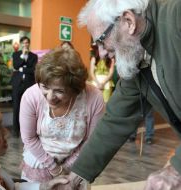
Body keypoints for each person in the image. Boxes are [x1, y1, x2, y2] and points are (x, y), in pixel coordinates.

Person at [56, 0, 181, 189]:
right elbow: (115, 120)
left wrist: (176, 169)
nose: (101, 53)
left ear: (128, 21)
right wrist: (75, 178)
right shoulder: (137, 58)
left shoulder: (177, 17)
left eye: (101, 41)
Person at [19, 47, 105, 183]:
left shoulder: (94, 98)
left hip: (77, 166)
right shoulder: (31, 96)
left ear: (75, 88)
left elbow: (90, 141)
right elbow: (29, 138)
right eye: (45, 87)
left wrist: (67, 167)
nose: (50, 97)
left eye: (59, 91)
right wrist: (54, 168)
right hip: (39, 162)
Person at [11, 36, 38, 136]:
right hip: (17, 84)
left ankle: (27, 130)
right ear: (21, 44)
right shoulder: (16, 54)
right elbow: (16, 66)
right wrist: (22, 56)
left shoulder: (33, 56)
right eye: (23, 43)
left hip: (28, 84)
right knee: (16, 106)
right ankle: (15, 130)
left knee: (28, 107)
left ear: (29, 44)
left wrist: (22, 69)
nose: (25, 44)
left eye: (27, 43)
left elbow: (33, 70)